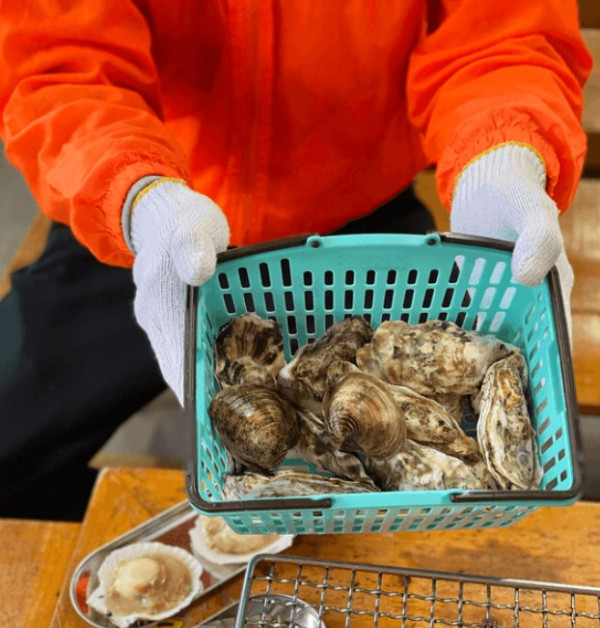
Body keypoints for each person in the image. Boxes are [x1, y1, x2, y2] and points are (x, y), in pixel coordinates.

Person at [0, 2, 591, 520]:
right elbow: (55, 59)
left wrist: (504, 148)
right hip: (154, 221)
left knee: (399, 515)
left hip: (359, 215)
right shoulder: (142, 206)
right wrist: (130, 190)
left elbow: (507, 34)